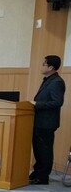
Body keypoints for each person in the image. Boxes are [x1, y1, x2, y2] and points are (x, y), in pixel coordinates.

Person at [30, 55, 66, 185]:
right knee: (38, 149)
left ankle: (42, 176)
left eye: (44, 64)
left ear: (51, 67)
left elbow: (57, 102)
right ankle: (37, 173)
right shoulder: (48, 80)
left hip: (47, 122)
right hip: (40, 122)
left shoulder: (57, 82)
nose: (42, 66)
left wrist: (37, 104)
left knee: (44, 150)